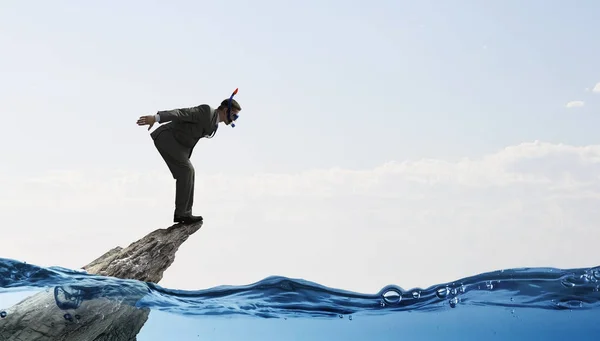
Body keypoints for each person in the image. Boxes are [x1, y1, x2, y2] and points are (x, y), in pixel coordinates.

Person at [136, 98, 242, 224]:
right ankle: (183, 214)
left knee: (188, 173)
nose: (235, 119)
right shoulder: (206, 111)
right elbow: (181, 113)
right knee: (187, 171)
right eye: (234, 115)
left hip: (178, 146)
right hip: (167, 138)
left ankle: (184, 213)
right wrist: (156, 118)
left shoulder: (214, 123)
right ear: (226, 110)